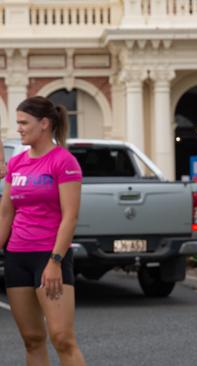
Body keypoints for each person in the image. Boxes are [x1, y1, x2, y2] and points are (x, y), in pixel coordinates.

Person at [1, 96, 86, 366]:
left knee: (62, 338)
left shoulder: (64, 161)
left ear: (45, 124)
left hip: (49, 256)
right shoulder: (16, 164)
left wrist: (55, 261)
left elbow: (70, 216)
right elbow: (6, 212)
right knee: (32, 339)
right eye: (18, 123)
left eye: (24, 122)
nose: (20, 128)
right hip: (17, 257)